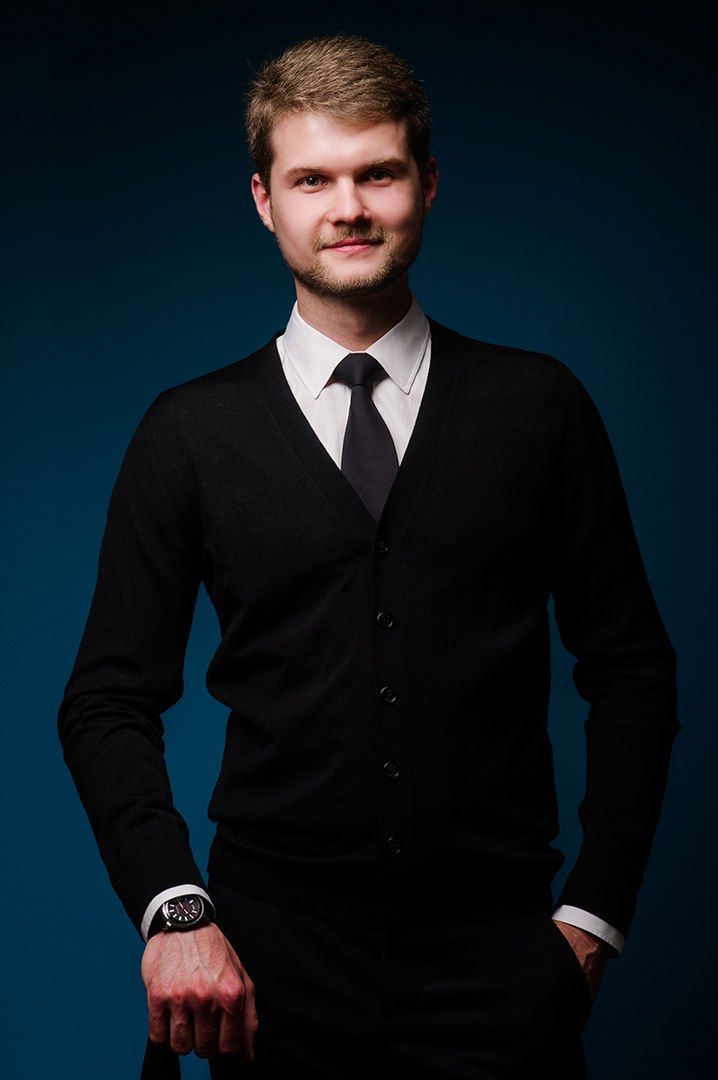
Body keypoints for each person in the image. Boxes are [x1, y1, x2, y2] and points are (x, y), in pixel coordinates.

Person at [57, 33, 680, 1080]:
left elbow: (629, 667)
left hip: (501, 965)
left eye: (376, 172)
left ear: (425, 185)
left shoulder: (540, 409)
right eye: (312, 178)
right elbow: (106, 697)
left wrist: (594, 919)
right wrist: (174, 910)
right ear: (265, 200)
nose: (346, 206)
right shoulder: (188, 433)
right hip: (264, 968)